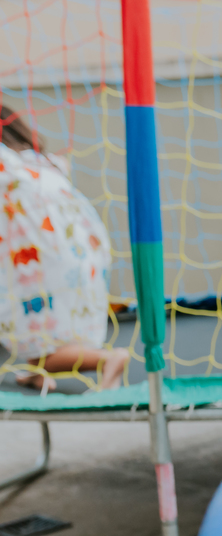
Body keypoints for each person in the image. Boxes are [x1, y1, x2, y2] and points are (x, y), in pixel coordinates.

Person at [0, 105, 129, 392]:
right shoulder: (39, 162)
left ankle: (107, 360)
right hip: (85, 253)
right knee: (43, 330)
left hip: (44, 262)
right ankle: (36, 372)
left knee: (34, 330)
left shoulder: (6, 163)